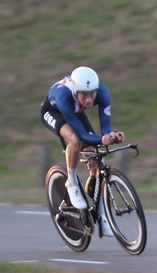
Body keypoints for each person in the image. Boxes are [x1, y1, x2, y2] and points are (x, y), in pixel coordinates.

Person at [40, 66, 124, 234]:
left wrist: (112, 135)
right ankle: (71, 182)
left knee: (96, 159)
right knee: (75, 139)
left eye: (92, 94)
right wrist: (101, 138)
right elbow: (82, 135)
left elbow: (106, 126)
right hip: (54, 112)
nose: (88, 100)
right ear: (75, 91)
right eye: (84, 95)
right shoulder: (64, 96)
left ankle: (101, 212)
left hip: (74, 111)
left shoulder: (103, 93)